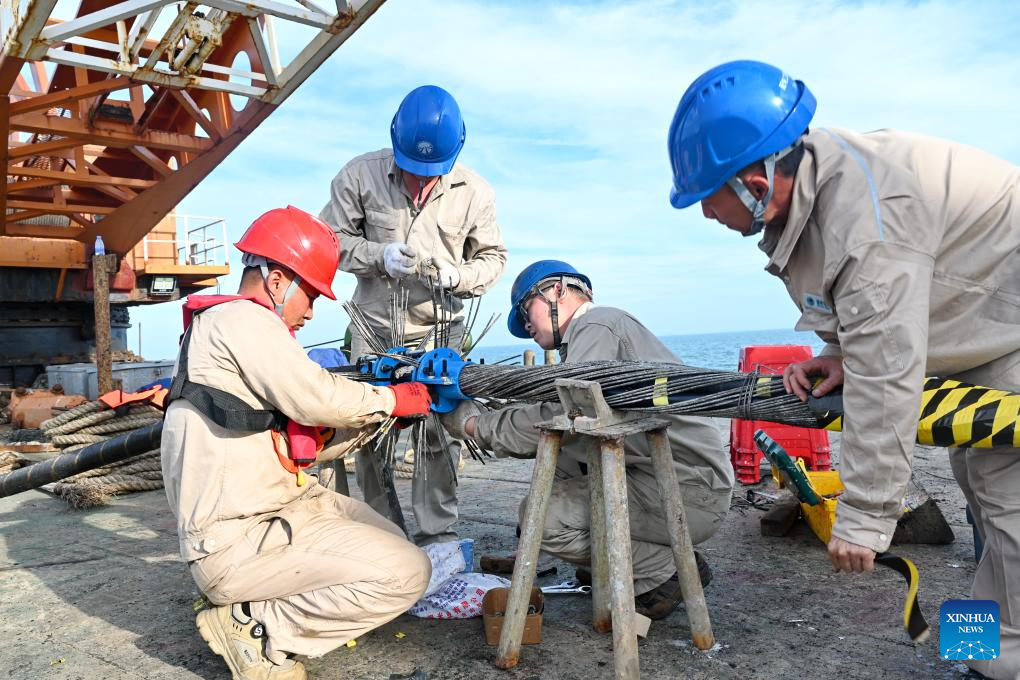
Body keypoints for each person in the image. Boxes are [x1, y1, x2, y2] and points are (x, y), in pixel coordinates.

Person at [668, 59, 1020, 678]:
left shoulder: (868, 220)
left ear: (754, 182)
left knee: (1006, 489)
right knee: (979, 478)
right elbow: (857, 305)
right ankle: (986, 652)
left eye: (707, 196)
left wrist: (865, 515)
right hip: (980, 320)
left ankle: (1003, 659)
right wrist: (837, 352)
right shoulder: (819, 183)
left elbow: (888, 373)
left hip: (1005, 319)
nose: (705, 214)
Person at [161, 206, 434, 680]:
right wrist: (391, 399)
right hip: (238, 540)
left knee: (390, 540)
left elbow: (299, 442)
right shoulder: (241, 320)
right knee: (407, 572)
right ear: (276, 280)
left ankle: (253, 603)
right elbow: (316, 397)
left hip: (275, 512)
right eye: (310, 295)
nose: (310, 311)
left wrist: (381, 422)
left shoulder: (231, 335)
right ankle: (256, 628)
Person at [439, 261, 734, 619]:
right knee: (564, 457)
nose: (526, 326)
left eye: (526, 310)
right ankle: (608, 562)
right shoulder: (592, 336)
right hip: (675, 480)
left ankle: (667, 570)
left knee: (541, 519)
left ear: (557, 290)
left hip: (689, 492)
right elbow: (558, 412)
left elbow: (562, 417)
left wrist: (474, 425)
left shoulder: (597, 325)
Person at [319, 84, 507, 545]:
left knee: (439, 435)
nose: (420, 183)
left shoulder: (476, 193)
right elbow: (327, 241)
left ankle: (437, 533)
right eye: (411, 170)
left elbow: (494, 258)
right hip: (375, 329)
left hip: (441, 333)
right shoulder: (359, 175)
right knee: (370, 432)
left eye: (431, 174)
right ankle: (382, 531)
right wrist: (377, 255)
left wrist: (459, 276)